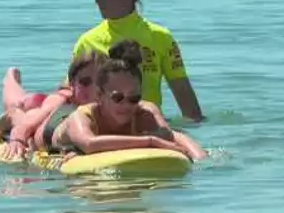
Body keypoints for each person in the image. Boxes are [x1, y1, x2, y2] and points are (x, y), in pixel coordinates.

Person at [69, 0, 205, 122]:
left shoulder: (161, 37)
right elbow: (69, 92)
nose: (97, 0)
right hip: (101, 128)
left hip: (149, 125)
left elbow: (186, 99)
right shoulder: (87, 41)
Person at [50, 40, 207, 160]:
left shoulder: (144, 110)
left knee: (177, 134)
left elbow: (166, 135)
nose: (126, 105)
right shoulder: (81, 116)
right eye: (117, 97)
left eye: (134, 98)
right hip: (54, 130)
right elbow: (90, 144)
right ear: (99, 95)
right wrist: (150, 141)